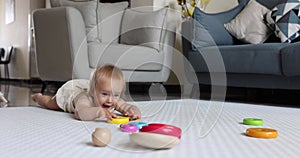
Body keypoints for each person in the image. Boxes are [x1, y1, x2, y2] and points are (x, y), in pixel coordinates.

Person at [32, 64, 141, 121]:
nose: (110, 100)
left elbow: (127, 106)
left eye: (116, 95)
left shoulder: (113, 99)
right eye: (104, 94)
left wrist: (134, 112)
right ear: (93, 91)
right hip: (71, 93)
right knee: (50, 104)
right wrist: (98, 112)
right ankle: (38, 97)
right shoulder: (86, 99)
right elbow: (80, 113)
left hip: (88, 86)